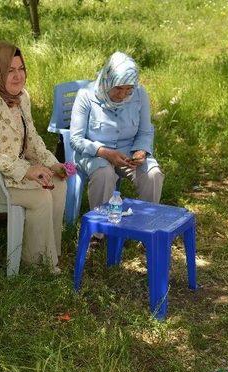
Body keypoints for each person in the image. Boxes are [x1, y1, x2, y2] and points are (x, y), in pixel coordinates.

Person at [0, 40, 70, 274]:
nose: (18, 76)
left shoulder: (21, 96)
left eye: (21, 69)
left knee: (57, 182)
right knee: (40, 195)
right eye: (10, 70)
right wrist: (27, 170)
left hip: (8, 171)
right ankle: (36, 263)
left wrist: (52, 163)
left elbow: (32, 138)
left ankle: (51, 254)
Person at [69, 51, 164, 237]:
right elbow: (76, 139)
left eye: (128, 89)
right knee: (104, 174)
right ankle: (99, 232)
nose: (123, 95)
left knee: (153, 175)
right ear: (108, 80)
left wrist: (141, 151)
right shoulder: (86, 96)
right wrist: (104, 152)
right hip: (94, 153)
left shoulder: (140, 95)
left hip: (128, 152)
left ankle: (146, 229)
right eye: (118, 88)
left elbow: (145, 131)